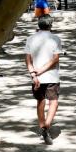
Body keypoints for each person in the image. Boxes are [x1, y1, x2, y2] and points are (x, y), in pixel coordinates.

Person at [25, 15, 63, 145]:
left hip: (36, 77)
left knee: (40, 101)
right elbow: (55, 59)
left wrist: (34, 74)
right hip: (51, 75)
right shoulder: (55, 39)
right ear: (50, 25)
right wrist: (41, 70)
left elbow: (28, 59)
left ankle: (43, 127)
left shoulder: (30, 39)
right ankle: (46, 126)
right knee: (54, 102)